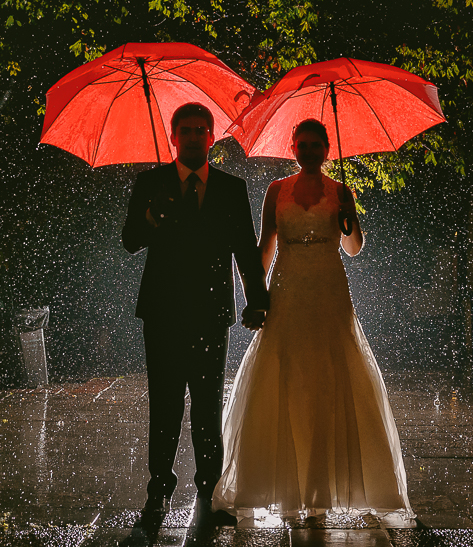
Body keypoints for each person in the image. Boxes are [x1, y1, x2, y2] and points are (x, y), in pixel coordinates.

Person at [211, 118, 414, 526]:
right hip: (287, 291)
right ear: (293, 147)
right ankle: (284, 483)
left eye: (315, 145)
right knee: (285, 375)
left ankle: (323, 488)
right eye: (301, 145)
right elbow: (265, 246)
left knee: (329, 376)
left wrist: (349, 218)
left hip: (329, 292)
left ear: (326, 148)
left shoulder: (341, 191)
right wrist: (257, 296)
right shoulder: (276, 191)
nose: (307, 151)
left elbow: (354, 248)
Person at [122, 102, 269, 522]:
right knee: (164, 403)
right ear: (173, 136)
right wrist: (151, 215)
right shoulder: (150, 182)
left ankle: (210, 492)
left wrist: (257, 299)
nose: (192, 136)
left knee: (207, 404)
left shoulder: (231, 188)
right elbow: (130, 240)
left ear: (211, 137)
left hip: (210, 311)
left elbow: (245, 249)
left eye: (200, 129)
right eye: (184, 130)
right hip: (163, 312)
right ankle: (158, 492)